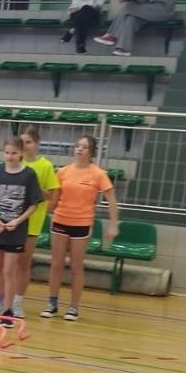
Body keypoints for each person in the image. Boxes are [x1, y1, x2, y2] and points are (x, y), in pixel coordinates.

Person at [43, 135, 120, 321]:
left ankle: (73, 307)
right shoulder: (62, 172)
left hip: (82, 223)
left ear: (91, 151)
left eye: (84, 147)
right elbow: (53, 201)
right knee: (56, 264)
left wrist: (113, 224)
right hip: (60, 220)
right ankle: (52, 304)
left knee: (76, 267)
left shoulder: (98, 173)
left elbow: (111, 199)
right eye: (77, 145)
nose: (79, 149)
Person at [0, 137, 43, 324]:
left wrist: (18, 220)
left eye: (14, 153)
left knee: (9, 270)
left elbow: (34, 204)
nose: (10, 156)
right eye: (7, 153)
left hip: (16, 231)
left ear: (21, 153)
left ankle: (7, 310)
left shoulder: (29, 175)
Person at [14, 124, 59, 320]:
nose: (25, 146)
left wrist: (36, 189)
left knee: (23, 263)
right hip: (11, 219)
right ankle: (1, 300)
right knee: (6, 263)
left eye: (29, 142)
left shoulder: (45, 166)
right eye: (22, 142)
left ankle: (17, 302)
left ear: (37, 142)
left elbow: (51, 194)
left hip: (31, 222)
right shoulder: (15, 161)